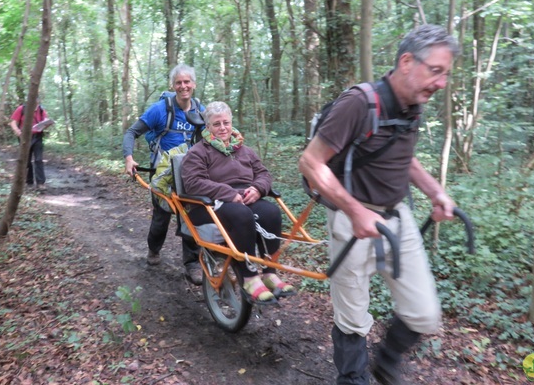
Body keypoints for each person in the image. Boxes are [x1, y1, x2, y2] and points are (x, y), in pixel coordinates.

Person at [299, 24, 461, 385]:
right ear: (406, 61)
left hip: (397, 219)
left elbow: (406, 159)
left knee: (423, 312)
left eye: (446, 74)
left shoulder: (412, 105)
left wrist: (435, 192)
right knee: (352, 318)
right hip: (349, 221)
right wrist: (355, 210)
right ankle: (353, 378)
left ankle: (386, 363)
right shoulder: (358, 103)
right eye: (436, 71)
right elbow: (311, 163)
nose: (441, 83)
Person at [181, 101, 296, 303]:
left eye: (226, 122)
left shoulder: (245, 150)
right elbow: (193, 183)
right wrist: (227, 193)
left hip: (245, 198)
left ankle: (270, 273)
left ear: (232, 123)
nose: (223, 128)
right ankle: (249, 277)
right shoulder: (199, 152)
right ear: (207, 127)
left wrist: (258, 189)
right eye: (216, 124)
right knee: (242, 215)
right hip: (207, 204)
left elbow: (263, 174)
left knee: (271, 212)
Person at [123, 64, 203, 285]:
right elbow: (132, 132)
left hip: (191, 174)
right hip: (164, 175)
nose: (183, 86)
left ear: (194, 84)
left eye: (187, 82)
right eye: (179, 82)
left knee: (190, 216)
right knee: (161, 218)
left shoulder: (200, 110)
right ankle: (154, 249)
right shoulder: (160, 110)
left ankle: (191, 263)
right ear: (173, 85)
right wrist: (129, 158)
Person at [9, 97, 49, 191]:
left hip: (37, 137)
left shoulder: (41, 110)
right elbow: (13, 122)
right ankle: (29, 182)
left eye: (37, 104)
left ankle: (40, 183)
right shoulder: (21, 109)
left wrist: (46, 125)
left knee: (38, 159)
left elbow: (45, 122)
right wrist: (17, 131)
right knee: (26, 160)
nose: (36, 106)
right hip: (25, 137)